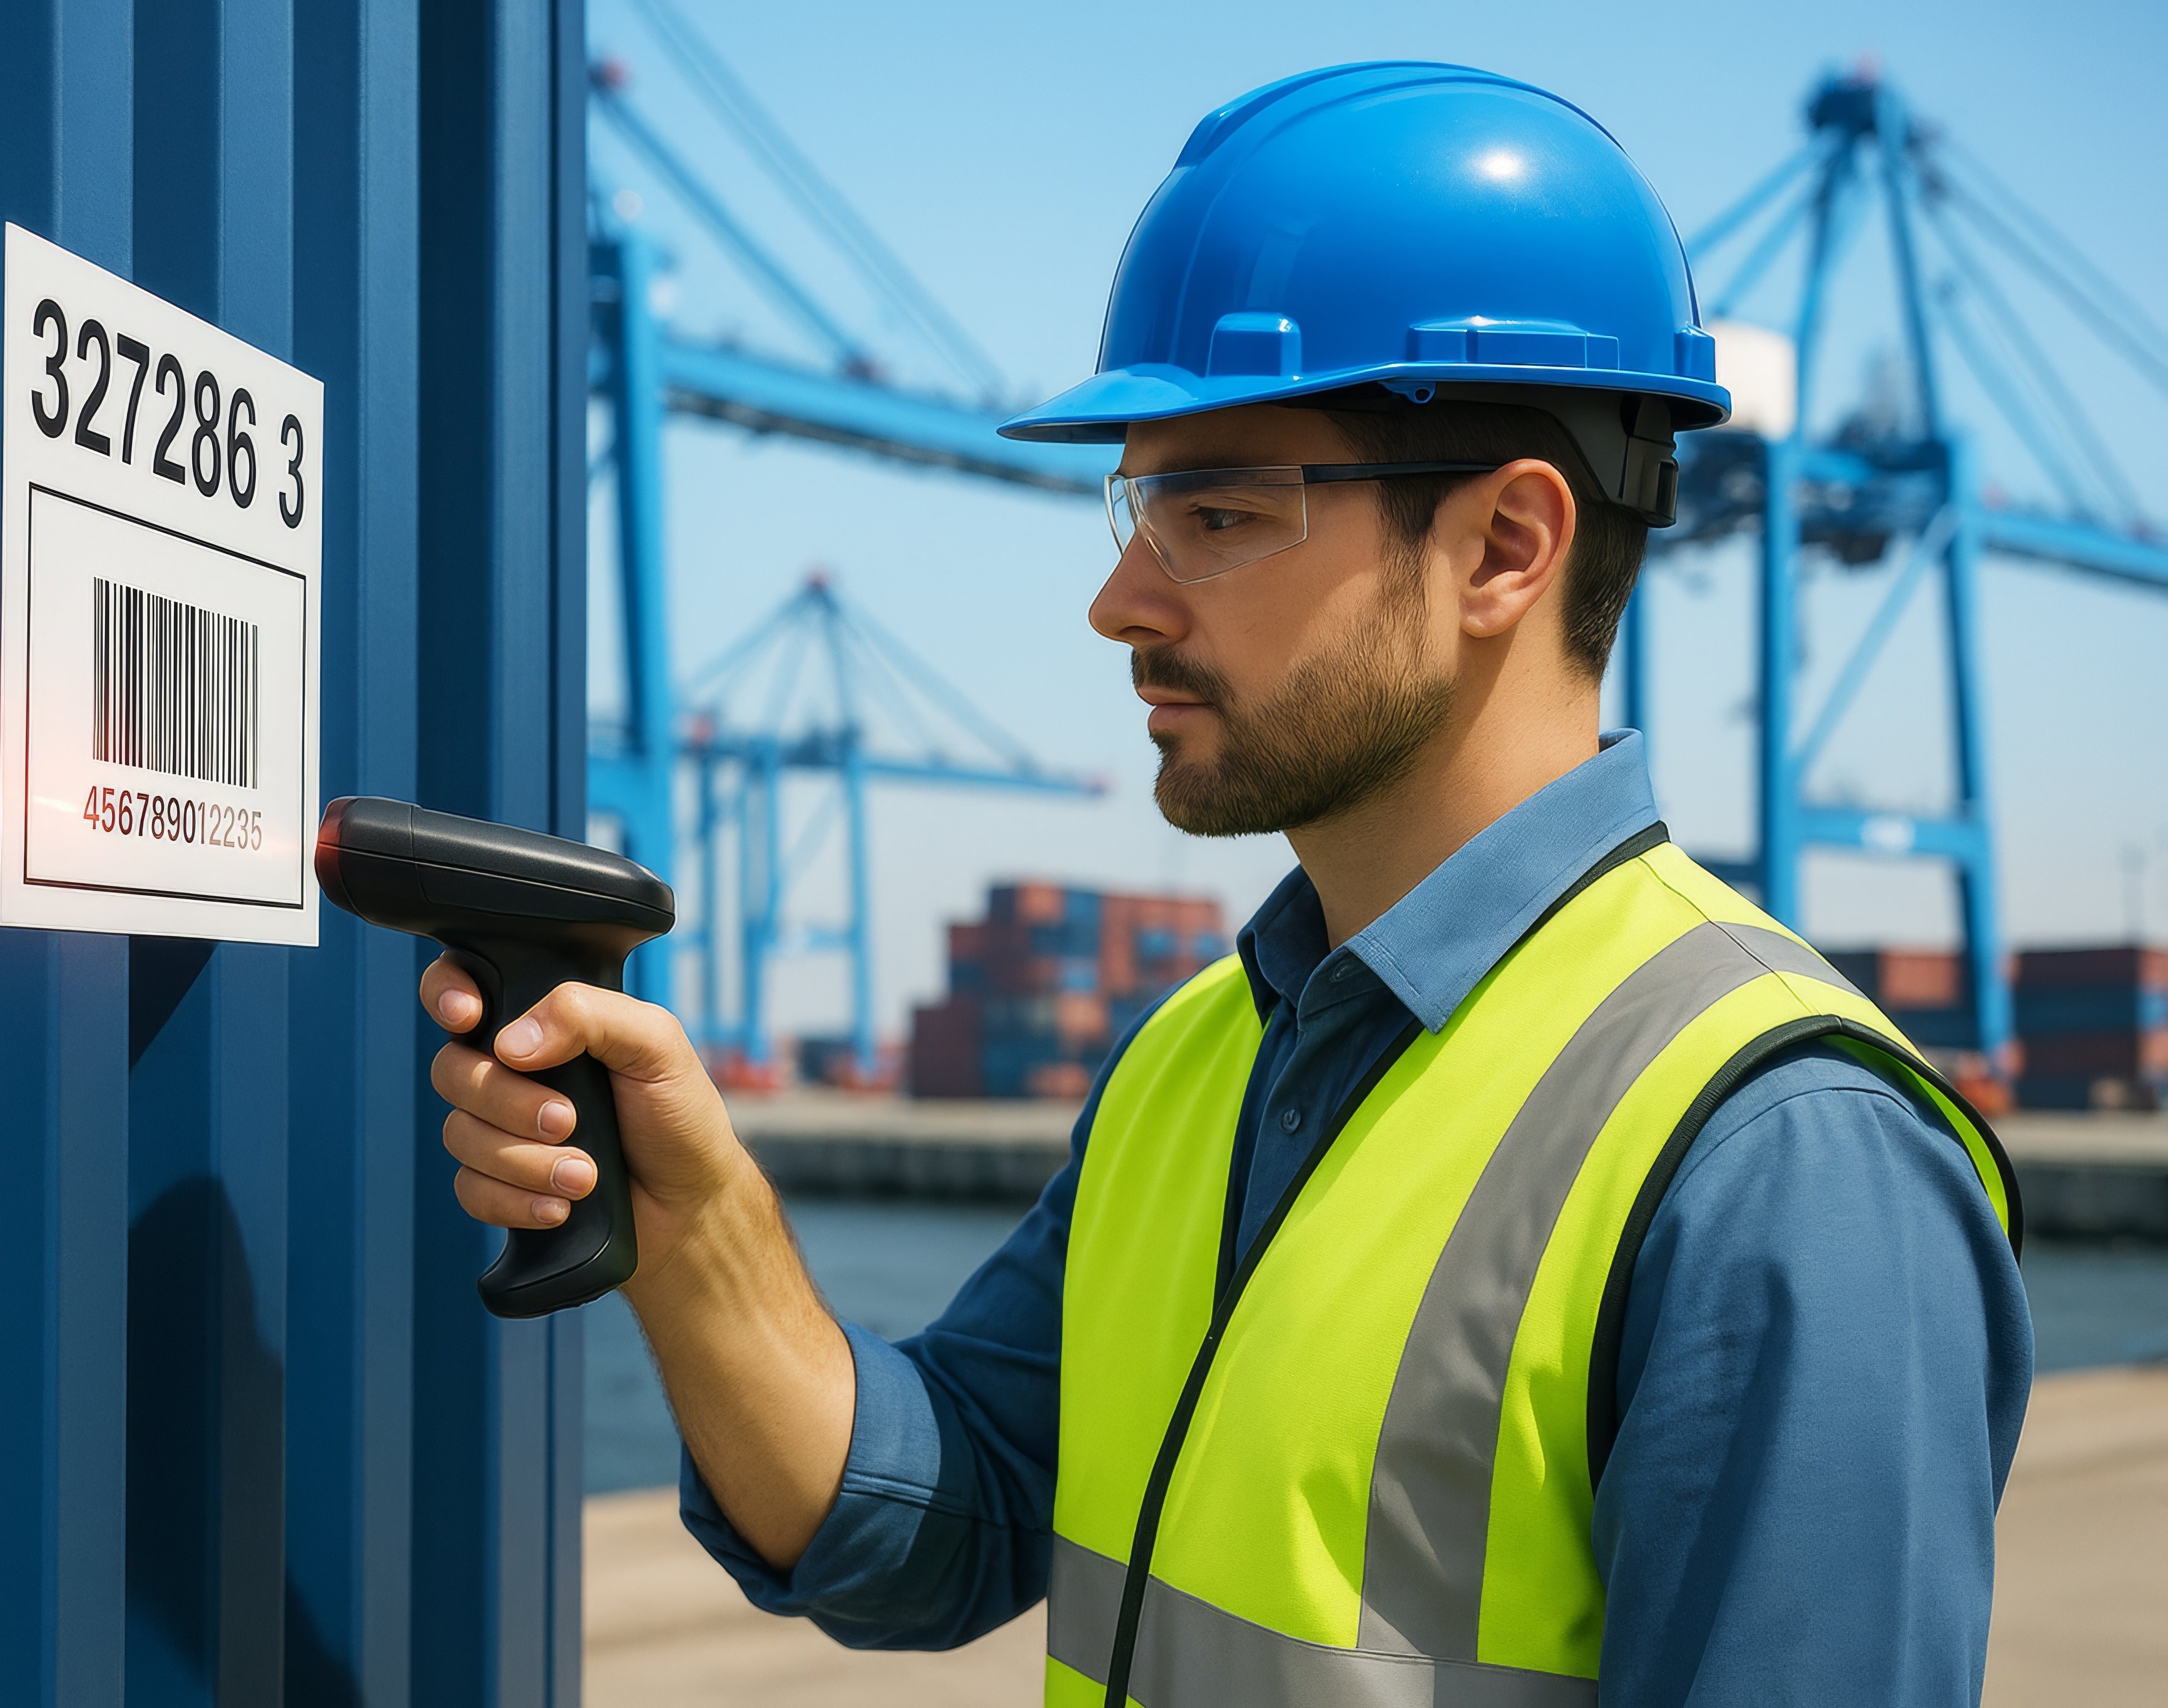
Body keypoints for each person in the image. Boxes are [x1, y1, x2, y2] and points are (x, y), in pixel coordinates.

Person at [422, 63, 2031, 1707]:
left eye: (1220, 510)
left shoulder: (1785, 1162)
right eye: (1140, 504)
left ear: (1504, 547)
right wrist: (700, 1232)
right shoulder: (1198, 1058)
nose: (1121, 598)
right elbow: (944, 1517)